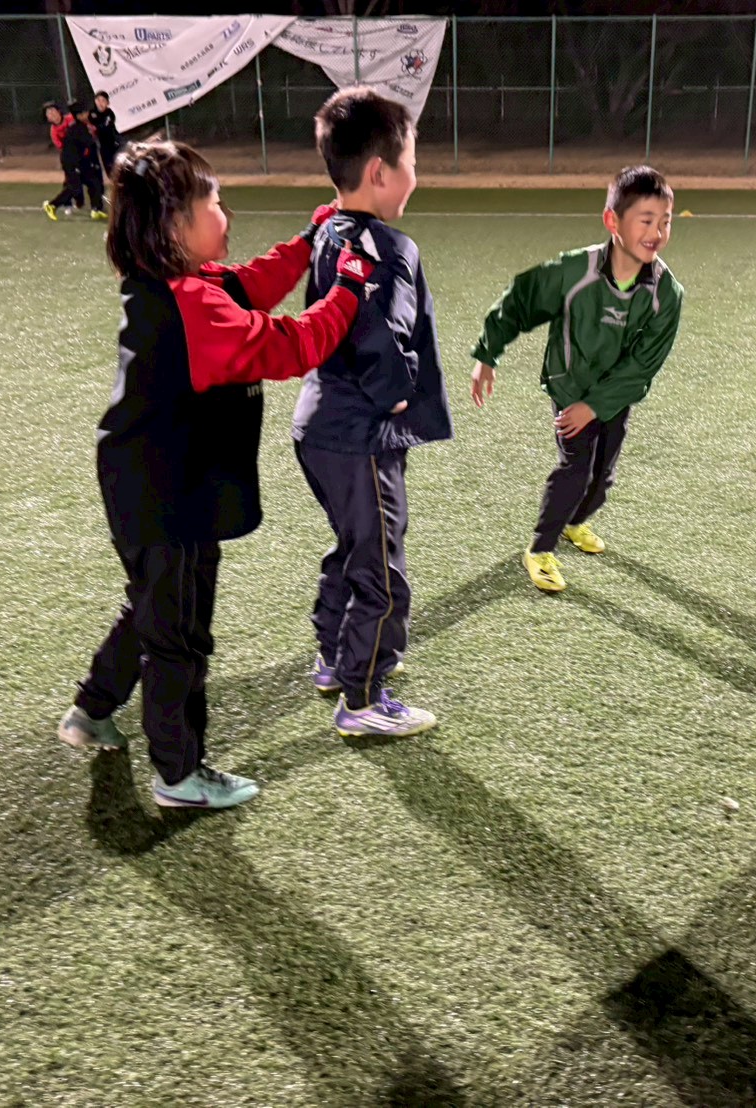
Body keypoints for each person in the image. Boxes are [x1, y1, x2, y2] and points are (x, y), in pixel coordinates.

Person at [57, 138, 376, 809]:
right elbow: (294, 344)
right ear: (177, 225)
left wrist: (309, 238)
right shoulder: (194, 307)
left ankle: (91, 710)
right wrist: (349, 286)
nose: (226, 214)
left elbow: (254, 282)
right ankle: (179, 775)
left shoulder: (190, 285)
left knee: (153, 607)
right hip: (163, 491)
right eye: (215, 203)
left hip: (159, 480)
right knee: (180, 633)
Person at [292, 87, 452, 739]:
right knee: (382, 566)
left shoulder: (328, 231)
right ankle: (362, 696)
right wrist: (398, 392)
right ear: (381, 172)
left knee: (355, 547)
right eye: (411, 161)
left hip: (320, 425)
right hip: (359, 431)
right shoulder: (388, 247)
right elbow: (380, 332)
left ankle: (335, 658)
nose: (416, 173)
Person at [469, 165, 683, 593]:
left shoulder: (666, 294)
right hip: (569, 386)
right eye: (645, 221)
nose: (657, 233)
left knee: (603, 479)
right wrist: (487, 354)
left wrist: (597, 405)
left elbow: (643, 365)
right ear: (612, 221)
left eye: (665, 221)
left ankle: (574, 523)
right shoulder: (574, 271)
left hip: (613, 397)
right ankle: (539, 549)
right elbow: (520, 301)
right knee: (576, 469)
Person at [47, 101, 107, 221]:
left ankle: (96, 210)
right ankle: (52, 205)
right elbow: (89, 143)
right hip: (71, 161)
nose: (87, 114)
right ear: (79, 116)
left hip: (81, 160)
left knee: (94, 182)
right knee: (75, 187)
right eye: (84, 113)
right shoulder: (78, 128)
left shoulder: (81, 125)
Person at [41, 100, 73, 219]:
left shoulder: (70, 119)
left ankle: (96, 206)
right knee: (72, 182)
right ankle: (63, 204)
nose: (52, 114)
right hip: (70, 157)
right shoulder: (54, 131)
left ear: (59, 111)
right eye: (48, 113)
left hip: (84, 154)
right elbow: (61, 146)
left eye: (53, 111)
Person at [92, 91, 122, 175]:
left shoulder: (109, 113)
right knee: (108, 167)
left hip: (113, 142)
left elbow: (108, 126)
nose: (100, 103)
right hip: (102, 145)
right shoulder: (92, 113)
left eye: (103, 100)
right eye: (98, 100)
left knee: (118, 164)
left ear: (107, 103)